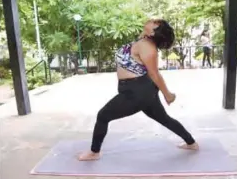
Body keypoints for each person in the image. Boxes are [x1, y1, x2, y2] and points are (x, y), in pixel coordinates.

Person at [78, 19, 199, 161]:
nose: (151, 20)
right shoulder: (143, 41)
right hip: (139, 89)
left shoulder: (148, 47)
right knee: (164, 119)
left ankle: (94, 152)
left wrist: (167, 94)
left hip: (137, 91)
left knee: (103, 116)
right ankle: (191, 143)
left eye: (155, 23)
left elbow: (154, 74)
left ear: (154, 32)